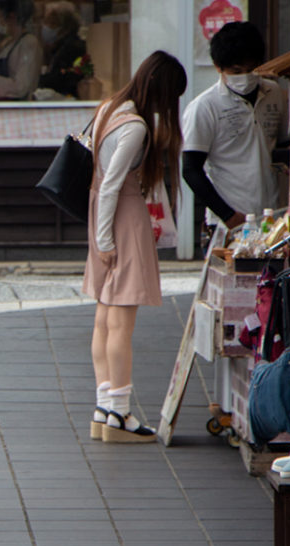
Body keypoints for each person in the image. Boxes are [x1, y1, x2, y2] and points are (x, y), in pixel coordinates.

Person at [82, 51, 187, 443]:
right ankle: (121, 414)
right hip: (121, 219)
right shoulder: (136, 127)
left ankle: (104, 406)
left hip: (101, 218)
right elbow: (113, 185)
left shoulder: (110, 107)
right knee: (120, 324)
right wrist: (108, 241)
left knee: (103, 319)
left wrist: (99, 238)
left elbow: (99, 180)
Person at [182, 22, 288, 230]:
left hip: (274, 215)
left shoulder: (274, 94)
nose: (245, 77)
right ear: (218, 67)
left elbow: (282, 147)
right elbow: (190, 169)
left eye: (251, 69)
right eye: (237, 70)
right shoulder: (205, 107)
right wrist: (227, 215)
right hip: (231, 219)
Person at [37, 1, 86, 97]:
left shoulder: (72, 48)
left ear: (65, 26)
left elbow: (61, 79)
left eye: (52, 24)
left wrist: (36, 80)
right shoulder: (59, 47)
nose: (46, 28)